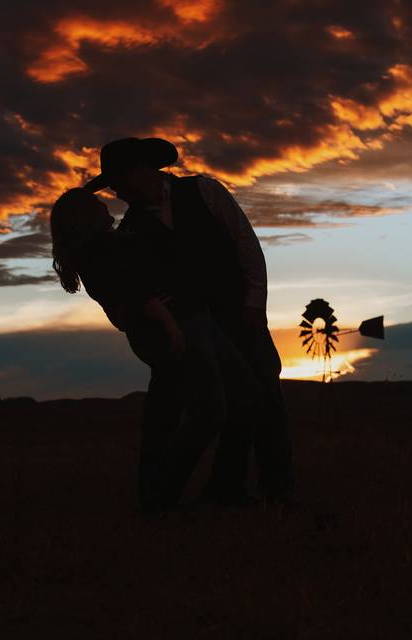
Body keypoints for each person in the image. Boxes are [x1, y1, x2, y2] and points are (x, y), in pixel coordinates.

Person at [84, 137, 295, 504]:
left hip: (238, 315)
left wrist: (253, 306)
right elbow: (130, 290)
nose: (117, 192)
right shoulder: (130, 232)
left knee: (263, 395)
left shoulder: (205, 190)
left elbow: (246, 246)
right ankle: (202, 492)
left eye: (119, 181)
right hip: (187, 331)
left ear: (142, 170)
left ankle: (273, 490)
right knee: (188, 408)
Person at [49, 187, 260, 513]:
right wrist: (168, 324)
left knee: (233, 395)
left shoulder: (103, 246)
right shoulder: (101, 249)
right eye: (97, 203)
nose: (106, 204)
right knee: (211, 409)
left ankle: (198, 490)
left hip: (190, 320)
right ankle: (163, 497)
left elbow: (123, 303)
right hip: (182, 324)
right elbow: (134, 290)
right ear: (85, 216)